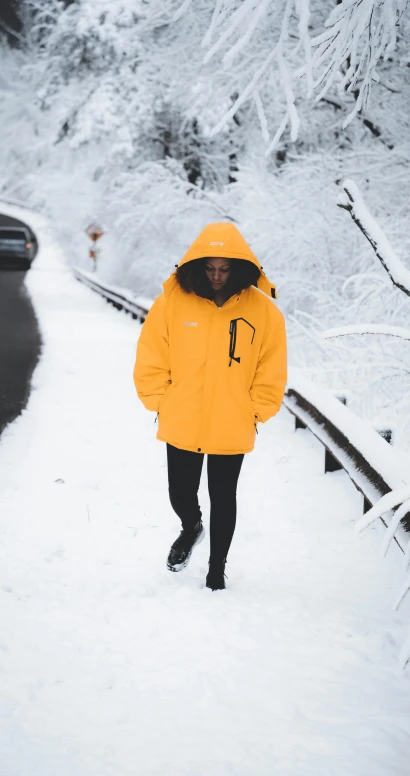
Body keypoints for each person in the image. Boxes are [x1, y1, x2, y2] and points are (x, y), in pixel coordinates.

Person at [133, 222, 287, 590]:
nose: (217, 277)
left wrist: (256, 409)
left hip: (233, 419)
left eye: (225, 269)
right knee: (180, 493)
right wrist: (161, 400)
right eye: (210, 268)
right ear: (197, 265)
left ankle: (216, 570)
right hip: (182, 416)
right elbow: (152, 354)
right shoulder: (171, 303)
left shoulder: (264, 312)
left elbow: (272, 365)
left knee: (224, 496)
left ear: (239, 267)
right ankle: (191, 527)